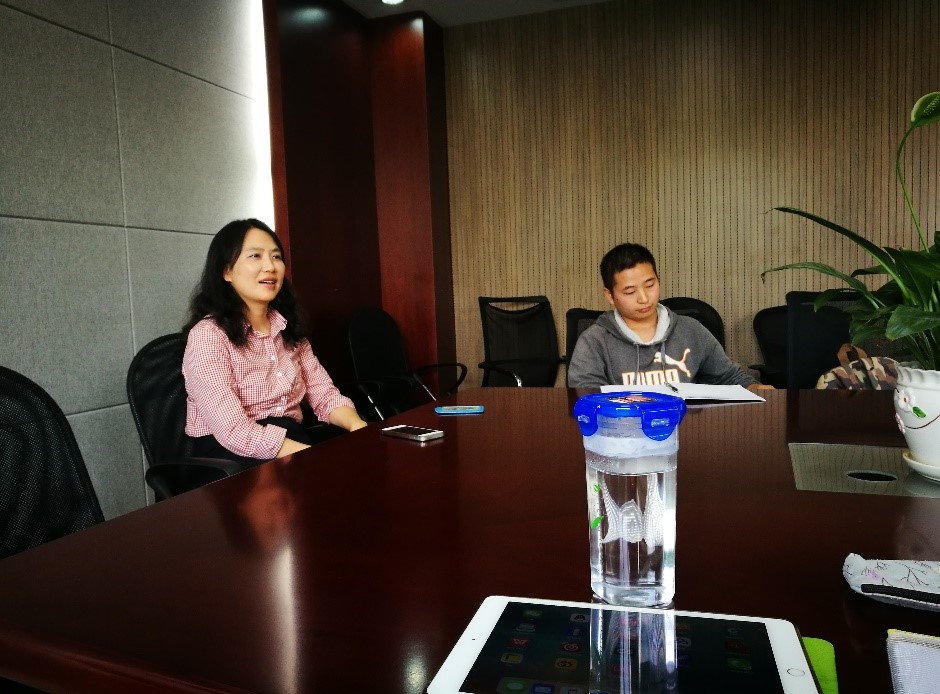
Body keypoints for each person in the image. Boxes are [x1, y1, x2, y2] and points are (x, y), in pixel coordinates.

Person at [182, 218, 367, 465]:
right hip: (230, 457)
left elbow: (323, 393)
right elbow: (233, 430)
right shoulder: (208, 335)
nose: (270, 266)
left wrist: (358, 427)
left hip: (289, 441)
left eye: (276, 257)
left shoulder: (289, 330)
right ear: (227, 271)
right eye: (255, 256)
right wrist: (313, 457)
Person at [567, 243, 773, 391]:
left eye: (650, 285)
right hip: (623, 433)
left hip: (686, 430)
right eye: (630, 292)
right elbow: (585, 395)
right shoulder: (594, 341)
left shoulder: (691, 330)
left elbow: (729, 377)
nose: (643, 298)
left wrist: (755, 387)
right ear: (610, 296)